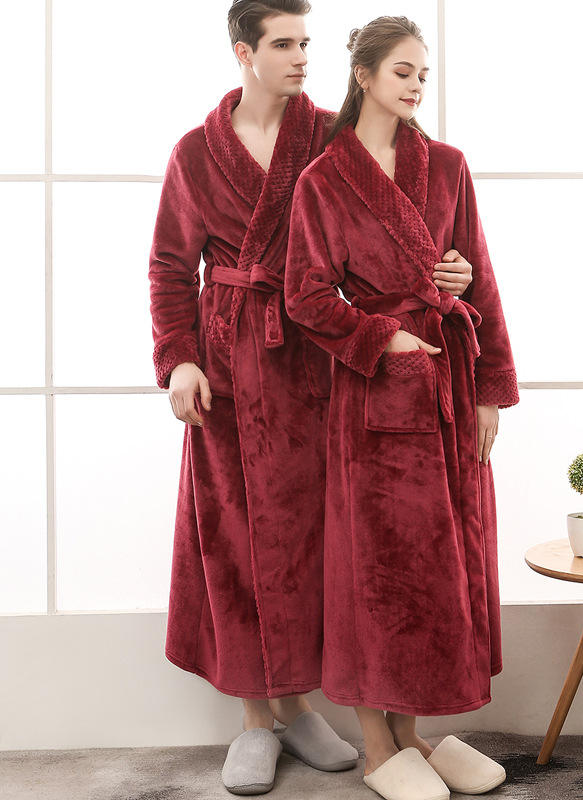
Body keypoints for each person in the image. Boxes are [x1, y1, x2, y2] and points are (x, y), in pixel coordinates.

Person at [148, 2, 475, 794]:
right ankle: (258, 719)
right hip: (231, 363)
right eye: (284, 44)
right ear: (243, 52)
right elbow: (169, 266)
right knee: (239, 533)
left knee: (320, 540)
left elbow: (401, 222)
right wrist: (179, 359)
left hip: (326, 361)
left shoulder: (333, 137)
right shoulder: (194, 153)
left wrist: (450, 270)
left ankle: (305, 708)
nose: (301, 57)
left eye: (306, 43)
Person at [284, 16, 519, 800]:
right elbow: (305, 296)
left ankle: (414, 735)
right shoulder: (324, 180)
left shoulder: (447, 166)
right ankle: (379, 745)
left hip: (449, 385)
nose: (417, 85)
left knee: (435, 569)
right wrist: (383, 336)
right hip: (375, 396)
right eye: (403, 71)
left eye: (424, 73)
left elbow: (480, 278)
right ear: (363, 75)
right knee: (377, 569)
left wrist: (489, 390)